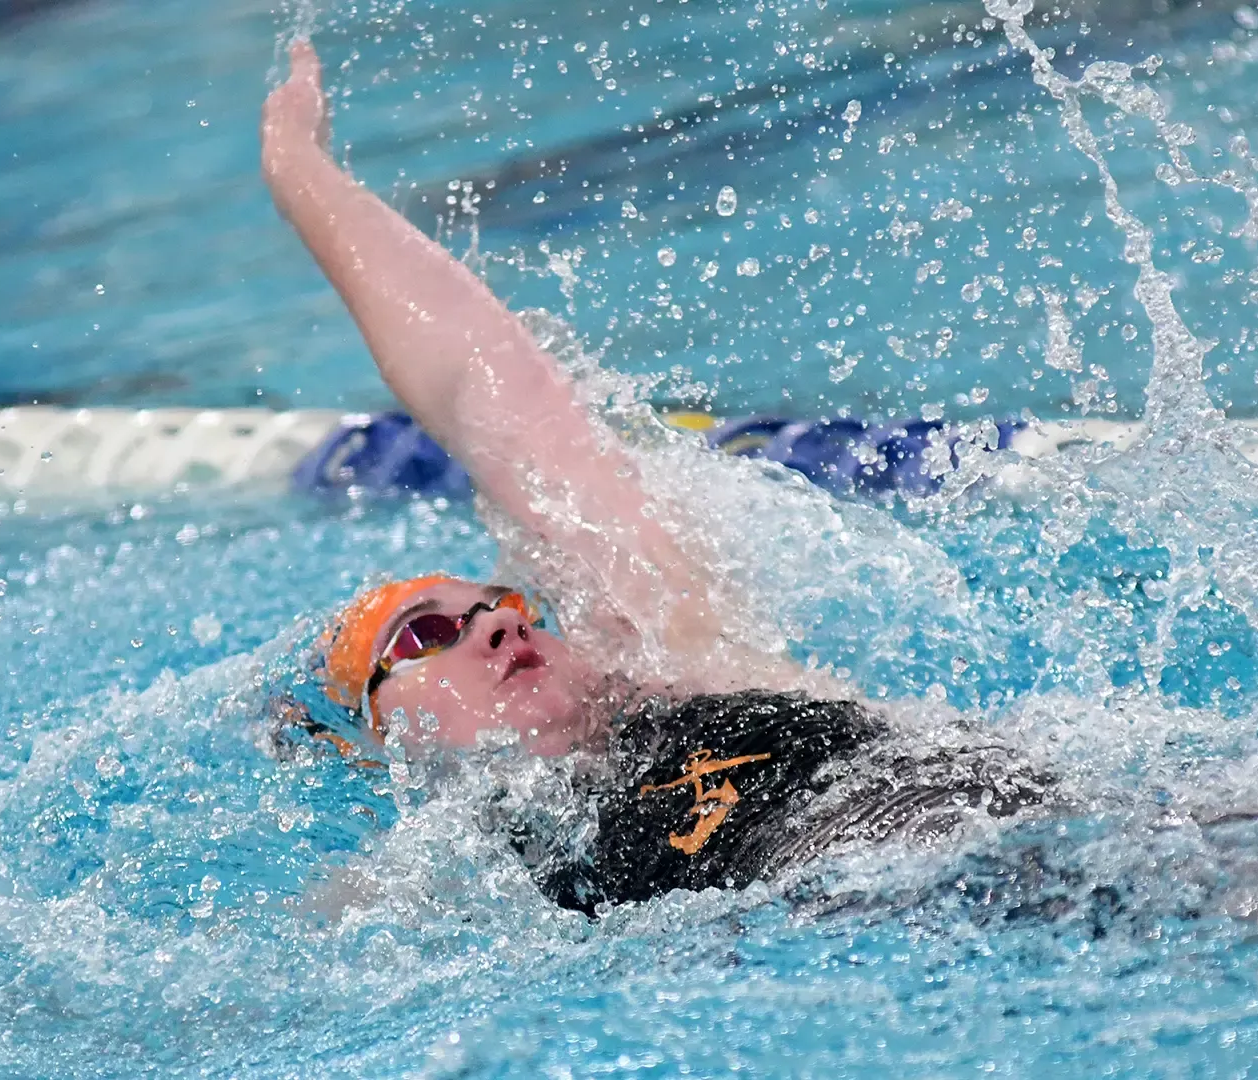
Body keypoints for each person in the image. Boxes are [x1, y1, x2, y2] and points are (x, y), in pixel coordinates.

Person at [261, 41, 1049, 915]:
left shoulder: (676, 660)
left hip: (1020, 826)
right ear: (371, 749)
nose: (491, 628)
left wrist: (303, 178)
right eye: (422, 638)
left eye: (504, 606)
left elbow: (488, 383)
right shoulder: (429, 889)